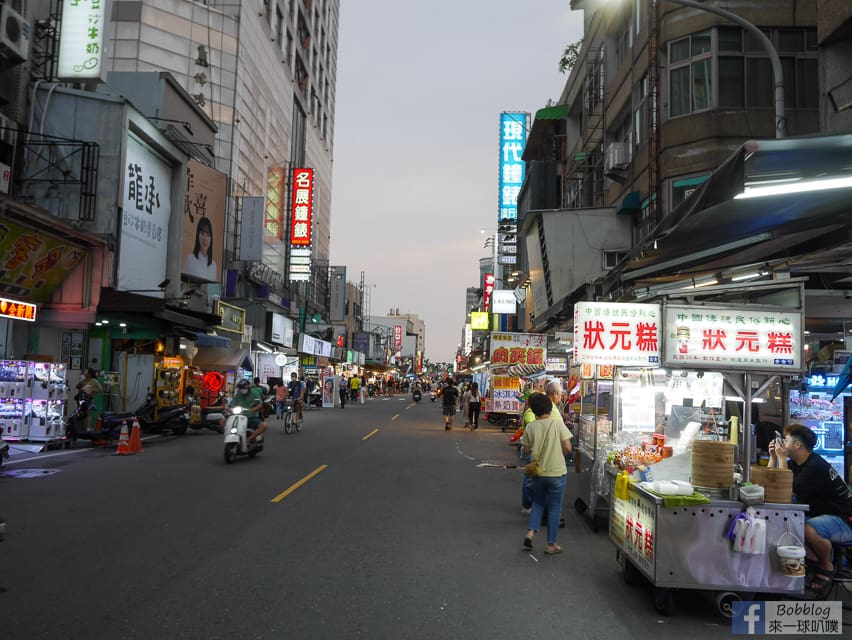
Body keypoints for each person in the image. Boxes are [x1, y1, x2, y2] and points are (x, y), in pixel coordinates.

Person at [768, 423, 852, 596]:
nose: (782, 443)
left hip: (844, 520)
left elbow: (784, 491)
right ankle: (812, 557)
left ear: (797, 445)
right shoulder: (798, 463)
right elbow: (774, 481)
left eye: (786, 440)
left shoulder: (814, 467)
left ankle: (826, 565)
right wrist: (773, 457)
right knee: (789, 525)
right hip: (824, 516)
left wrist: (781, 459)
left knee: (805, 528)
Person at [521, 392, 573, 555]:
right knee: (555, 507)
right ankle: (551, 545)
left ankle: (531, 532)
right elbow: (568, 448)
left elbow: (527, 450)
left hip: (538, 473)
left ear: (533, 410)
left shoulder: (530, 427)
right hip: (557, 473)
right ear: (550, 408)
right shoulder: (558, 424)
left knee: (538, 503)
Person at [227, 378, 267, 444]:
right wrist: (228, 408)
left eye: (244, 388)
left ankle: (249, 439)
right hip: (237, 417)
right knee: (223, 422)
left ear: (248, 387)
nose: (242, 390)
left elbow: (260, 404)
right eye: (241, 388)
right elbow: (233, 403)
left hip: (250, 417)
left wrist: (254, 409)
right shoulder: (238, 394)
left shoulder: (254, 393)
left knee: (264, 426)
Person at [183, 216, 218, 281]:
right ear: (197, 236)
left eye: (208, 235)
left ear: (211, 238)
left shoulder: (213, 265)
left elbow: (213, 290)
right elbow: (183, 286)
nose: (205, 239)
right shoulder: (190, 259)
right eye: (202, 233)